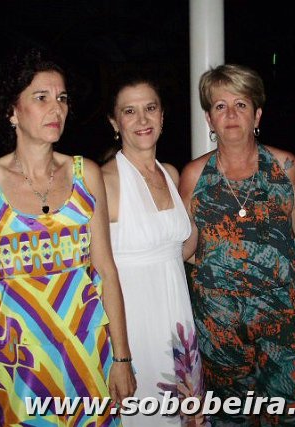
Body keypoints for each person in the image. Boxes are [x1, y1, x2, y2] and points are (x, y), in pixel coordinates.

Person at [0, 48, 135, 426]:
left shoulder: (86, 173)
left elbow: (106, 271)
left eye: (62, 98)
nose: (57, 108)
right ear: (12, 111)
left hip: (86, 352)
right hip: (14, 363)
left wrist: (122, 358)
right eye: (42, 98)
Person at [179, 64, 295, 426]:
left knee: (287, 416)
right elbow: (188, 248)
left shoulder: (285, 165)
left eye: (241, 104)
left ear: (257, 114)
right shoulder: (194, 174)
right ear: (209, 118)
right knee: (229, 418)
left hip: (283, 321)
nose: (231, 114)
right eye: (220, 106)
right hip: (219, 326)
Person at [102, 75, 205, 426]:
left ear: (162, 115)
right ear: (115, 122)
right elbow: (93, 268)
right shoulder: (104, 181)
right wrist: (119, 356)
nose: (142, 119)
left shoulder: (172, 174)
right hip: (133, 327)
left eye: (150, 108)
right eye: (129, 111)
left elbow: (179, 250)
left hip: (178, 320)